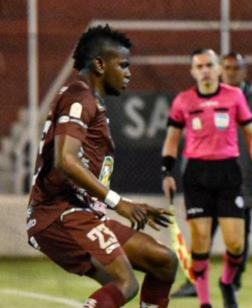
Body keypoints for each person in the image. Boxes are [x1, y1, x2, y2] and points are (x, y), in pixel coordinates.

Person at [26, 25, 177, 308]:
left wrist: (127, 203)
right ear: (99, 64)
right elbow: (65, 160)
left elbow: (77, 168)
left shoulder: (88, 100)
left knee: (163, 261)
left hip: (80, 212)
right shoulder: (79, 97)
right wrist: (118, 203)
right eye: (122, 65)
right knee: (125, 283)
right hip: (60, 214)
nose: (128, 73)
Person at [161, 48, 252, 308]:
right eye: (199, 66)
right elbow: (172, 140)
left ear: (218, 68)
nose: (205, 70)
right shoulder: (183, 101)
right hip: (196, 174)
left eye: (209, 65)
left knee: (236, 245)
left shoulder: (234, 97)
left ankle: (228, 282)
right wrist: (167, 172)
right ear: (192, 71)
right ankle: (205, 303)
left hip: (229, 172)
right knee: (200, 244)